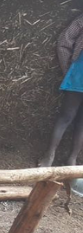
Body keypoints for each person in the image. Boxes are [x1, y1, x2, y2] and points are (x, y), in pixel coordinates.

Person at [39, 13, 83, 170]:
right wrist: (69, 69)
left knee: (69, 118)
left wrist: (68, 70)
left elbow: (64, 42)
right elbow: (64, 42)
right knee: (72, 118)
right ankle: (65, 158)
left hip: (78, 74)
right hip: (79, 74)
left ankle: (55, 157)